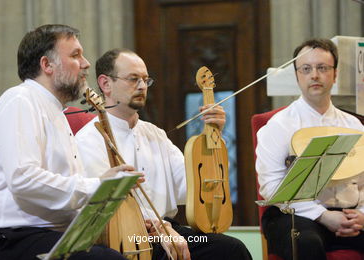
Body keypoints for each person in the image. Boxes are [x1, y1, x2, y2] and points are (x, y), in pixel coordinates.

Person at [0, 24, 135, 260]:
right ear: (46, 65)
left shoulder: (55, 111)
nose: (86, 63)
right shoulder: (20, 100)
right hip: (4, 237)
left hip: (40, 234)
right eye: (75, 55)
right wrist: (96, 186)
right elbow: (23, 178)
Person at [75, 48, 252, 260]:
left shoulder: (155, 134)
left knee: (229, 248)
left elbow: (192, 188)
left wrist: (214, 138)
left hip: (170, 229)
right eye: (133, 79)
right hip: (127, 238)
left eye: (145, 80)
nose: (142, 86)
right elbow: (103, 212)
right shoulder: (88, 139)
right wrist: (159, 227)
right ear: (105, 84)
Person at [256, 38, 364, 259]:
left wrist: (362, 216)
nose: (314, 75)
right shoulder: (278, 125)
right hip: (294, 215)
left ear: (335, 74)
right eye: (306, 69)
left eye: (322, 68)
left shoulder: (354, 125)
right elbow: (271, 188)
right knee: (306, 243)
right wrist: (322, 215)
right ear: (297, 75)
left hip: (350, 212)